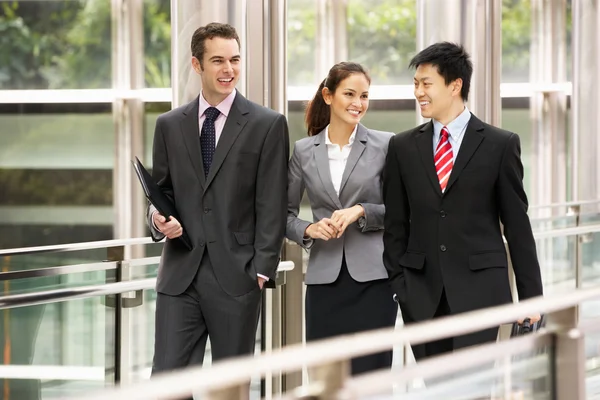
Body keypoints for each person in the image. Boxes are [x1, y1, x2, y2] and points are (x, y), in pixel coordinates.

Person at [146, 22, 289, 382]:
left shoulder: (267, 124)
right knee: (166, 381)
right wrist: (157, 219)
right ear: (197, 65)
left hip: (238, 275)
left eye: (235, 60)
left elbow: (272, 202)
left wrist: (261, 270)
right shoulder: (168, 125)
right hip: (180, 275)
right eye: (218, 61)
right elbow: (161, 193)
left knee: (230, 386)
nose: (229, 70)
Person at [382, 42, 543, 360]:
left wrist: (531, 297)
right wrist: (401, 288)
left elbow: (517, 225)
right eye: (416, 84)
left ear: (455, 85)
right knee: (437, 389)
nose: (418, 93)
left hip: (481, 295)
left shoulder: (500, 144)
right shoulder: (402, 147)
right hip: (422, 297)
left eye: (427, 84)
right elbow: (395, 225)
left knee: (474, 388)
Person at [286, 62, 397, 375]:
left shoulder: (385, 144)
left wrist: (362, 210)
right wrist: (309, 228)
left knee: (370, 379)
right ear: (328, 95)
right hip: (324, 281)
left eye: (364, 96)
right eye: (349, 94)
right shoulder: (304, 151)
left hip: (374, 282)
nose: (358, 103)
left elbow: (404, 210)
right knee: (326, 380)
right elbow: (283, 214)